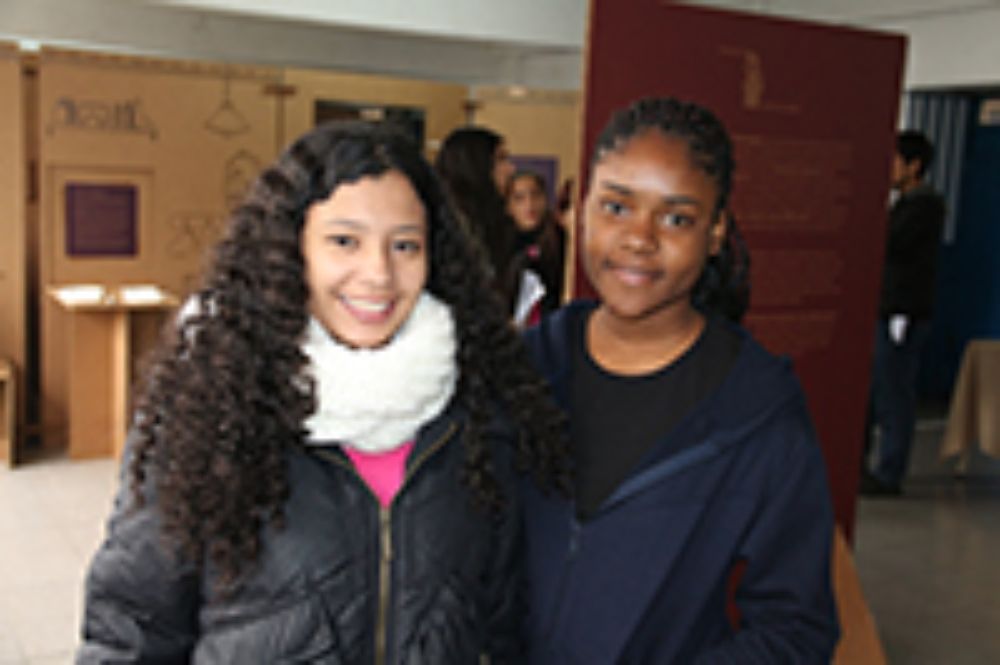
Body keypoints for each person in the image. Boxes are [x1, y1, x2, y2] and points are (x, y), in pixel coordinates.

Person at [76, 121, 569, 663]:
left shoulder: (475, 407)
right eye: (344, 241)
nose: (378, 273)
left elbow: (499, 626)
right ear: (291, 248)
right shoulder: (216, 397)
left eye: (405, 245)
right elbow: (131, 629)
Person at [520, 97, 839, 663]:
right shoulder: (522, 370)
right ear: (580, 209)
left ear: (715, 233)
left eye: (675, 219)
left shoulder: (757, 413)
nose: (639, 238)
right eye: (616, 207)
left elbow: (796, 628)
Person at [861, 130, 946, 497]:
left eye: (895, 161)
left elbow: (890, 243)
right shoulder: (904, 205)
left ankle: (890, 472)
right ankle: (865, 465)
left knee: (894, 392)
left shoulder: (924, 207)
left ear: (914, 166)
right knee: (875, 390)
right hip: (886, 309)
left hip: (902, 313)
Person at [435, 126, 521, 314]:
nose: (511, 169)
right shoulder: (450, 225)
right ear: (475, 165)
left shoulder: (495, 221)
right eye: (501, 159)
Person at [506, 170, 569, 323]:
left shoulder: (560, 238)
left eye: (535, 195)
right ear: (508, 206)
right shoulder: (503, 246)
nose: (530, 204)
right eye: (519, 198)